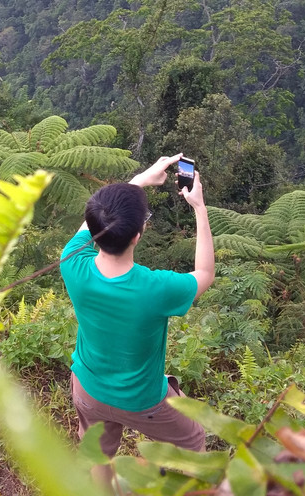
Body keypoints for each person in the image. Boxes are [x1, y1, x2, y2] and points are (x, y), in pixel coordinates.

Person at [59, 153, 214, 460]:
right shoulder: (156, 288)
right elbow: (205, 274)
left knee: (97, 454)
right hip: (141, 399)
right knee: (194, 438)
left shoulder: (71, 262)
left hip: (87, 388)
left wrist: (141, 180)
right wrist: (200, 207)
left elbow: (97, 222)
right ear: (138, 235)